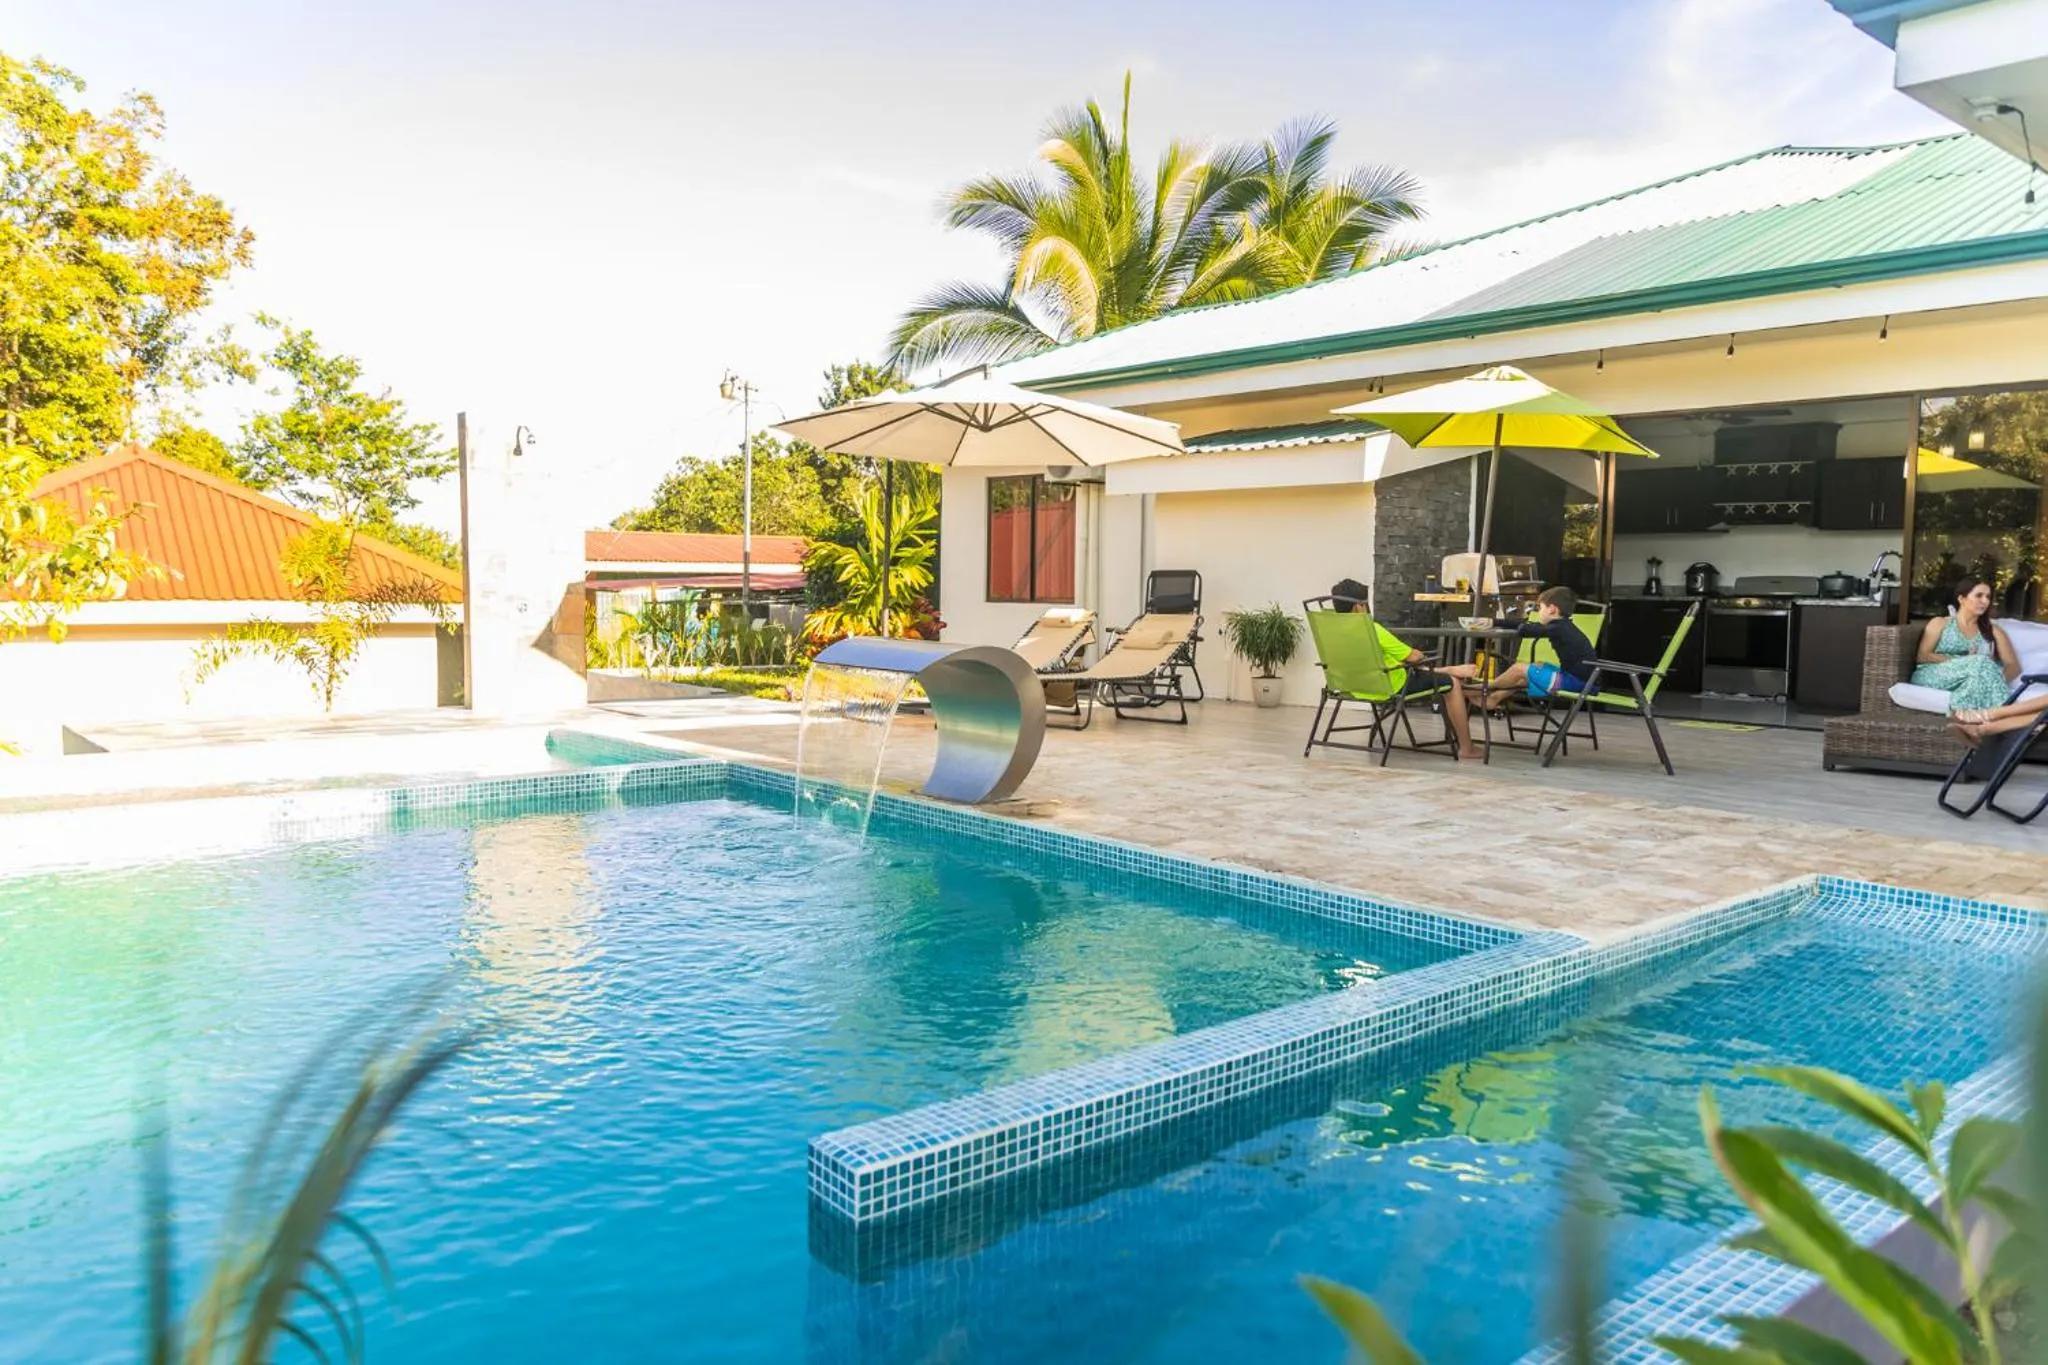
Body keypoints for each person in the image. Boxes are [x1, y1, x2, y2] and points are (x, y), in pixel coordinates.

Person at [1338, 593, 1480, 760]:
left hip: (1353, 686)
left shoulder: (1333, 633)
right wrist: (1418, 654)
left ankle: (1448, 671)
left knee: (1407, 667)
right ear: (1357, 606)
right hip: (1391, 686)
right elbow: (1413, 657)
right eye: (1364, 604)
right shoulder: (1371, 629)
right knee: (1452, 683)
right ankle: (1466, 748)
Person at [1442, 586, 1597, 703]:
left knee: (1519, 668)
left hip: (1578, 684)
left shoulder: (1558, 628)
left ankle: (1481, 689)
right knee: (1533, 669)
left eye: (1540, 608)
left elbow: (1526, 629)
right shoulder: (1562, 625)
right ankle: (1493, 699)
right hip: (1579, 681)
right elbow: (1528, 625)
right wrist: (1494, 622)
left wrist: (1520, 625)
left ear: (1552, 609)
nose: (1538, 611)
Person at [1911, 576, 2018, 715]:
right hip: (1933, 675)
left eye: (1988, 597)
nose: (1985, 601)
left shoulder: (1993, 630)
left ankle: (1960, 714)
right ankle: (2007, 715)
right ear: (1961, 599)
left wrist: (1993, 680)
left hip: (1974, 679)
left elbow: (2013, 665)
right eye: (1979, 595)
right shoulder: (1940, 623)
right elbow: (1923, 656)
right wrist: (1966, 661)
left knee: (1979, 672)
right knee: (1981, 661)